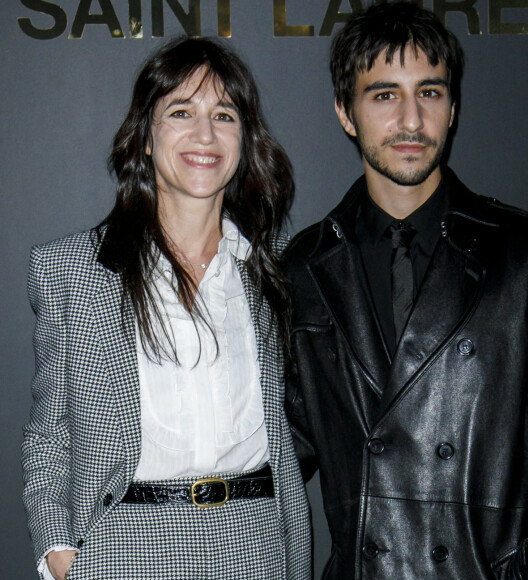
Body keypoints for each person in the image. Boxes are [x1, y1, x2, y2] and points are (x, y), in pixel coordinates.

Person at [284, 2, 528, 578]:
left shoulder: (525, 254)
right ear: (347, 113)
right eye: (385, 95)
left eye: (431, 93)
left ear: (453, 107)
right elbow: (277, 450)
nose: (412, 122)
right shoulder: (305, 268)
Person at [22, 37, 311, 580]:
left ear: (244, 140)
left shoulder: (275, 269)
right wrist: (59, 552)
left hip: (258, 542)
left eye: (224, 115)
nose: (205, 135)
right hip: (125, 545)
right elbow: (48, 435)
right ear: (146, 138)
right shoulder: (72, 270)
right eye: (181, 111)